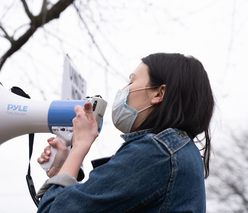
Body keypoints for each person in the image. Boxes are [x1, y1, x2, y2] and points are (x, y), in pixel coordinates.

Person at [36, 53, 215, 213]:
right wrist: (64, 170)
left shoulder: (155, 153)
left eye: (131, 81)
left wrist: (79, 145)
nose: (124, 89)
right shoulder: (176, 152)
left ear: (159, 93)